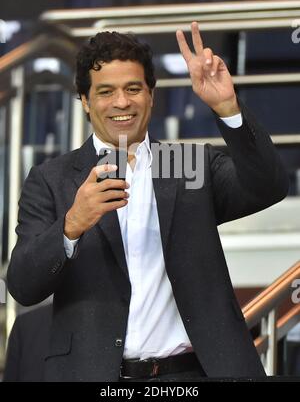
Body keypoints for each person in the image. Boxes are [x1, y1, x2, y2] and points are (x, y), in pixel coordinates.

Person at [7, 23, 289, 382]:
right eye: (106, 91)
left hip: (192, 375)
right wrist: (72, 224)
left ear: (151, 96)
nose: (121, 102)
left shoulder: (187, 163)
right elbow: (23, 285)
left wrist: (227, 107)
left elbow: (268, 186)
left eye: (133, 89)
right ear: (85, 102)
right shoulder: (51, 179)